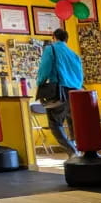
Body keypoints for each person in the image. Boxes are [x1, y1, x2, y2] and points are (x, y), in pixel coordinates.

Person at [36, 27, 83, 156]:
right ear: (67, 39)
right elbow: (80, 75)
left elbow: (44, 70)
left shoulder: (50, 49)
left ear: (54, 37)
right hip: (76, 92)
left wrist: (39, 84)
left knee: (55, 124)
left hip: (59, 91)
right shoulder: (74, 54)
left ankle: (72, 151)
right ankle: (78, 149)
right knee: (73, 122)